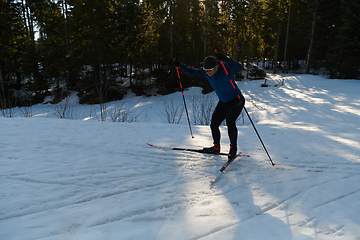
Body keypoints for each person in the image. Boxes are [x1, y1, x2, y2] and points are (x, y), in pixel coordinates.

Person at [173, 51, 245, 160]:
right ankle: (216, 147)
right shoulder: (207, 72)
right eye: (205, 70)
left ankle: (233, 149)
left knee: (230, 121)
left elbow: (239, 68)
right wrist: (181, 66)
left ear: (216, 67)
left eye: (209, 70)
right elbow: (193, 72)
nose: (207, 73)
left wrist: (227, 59)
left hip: (236, 100)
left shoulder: (225, 68)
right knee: (214, 124)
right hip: (224, 101)